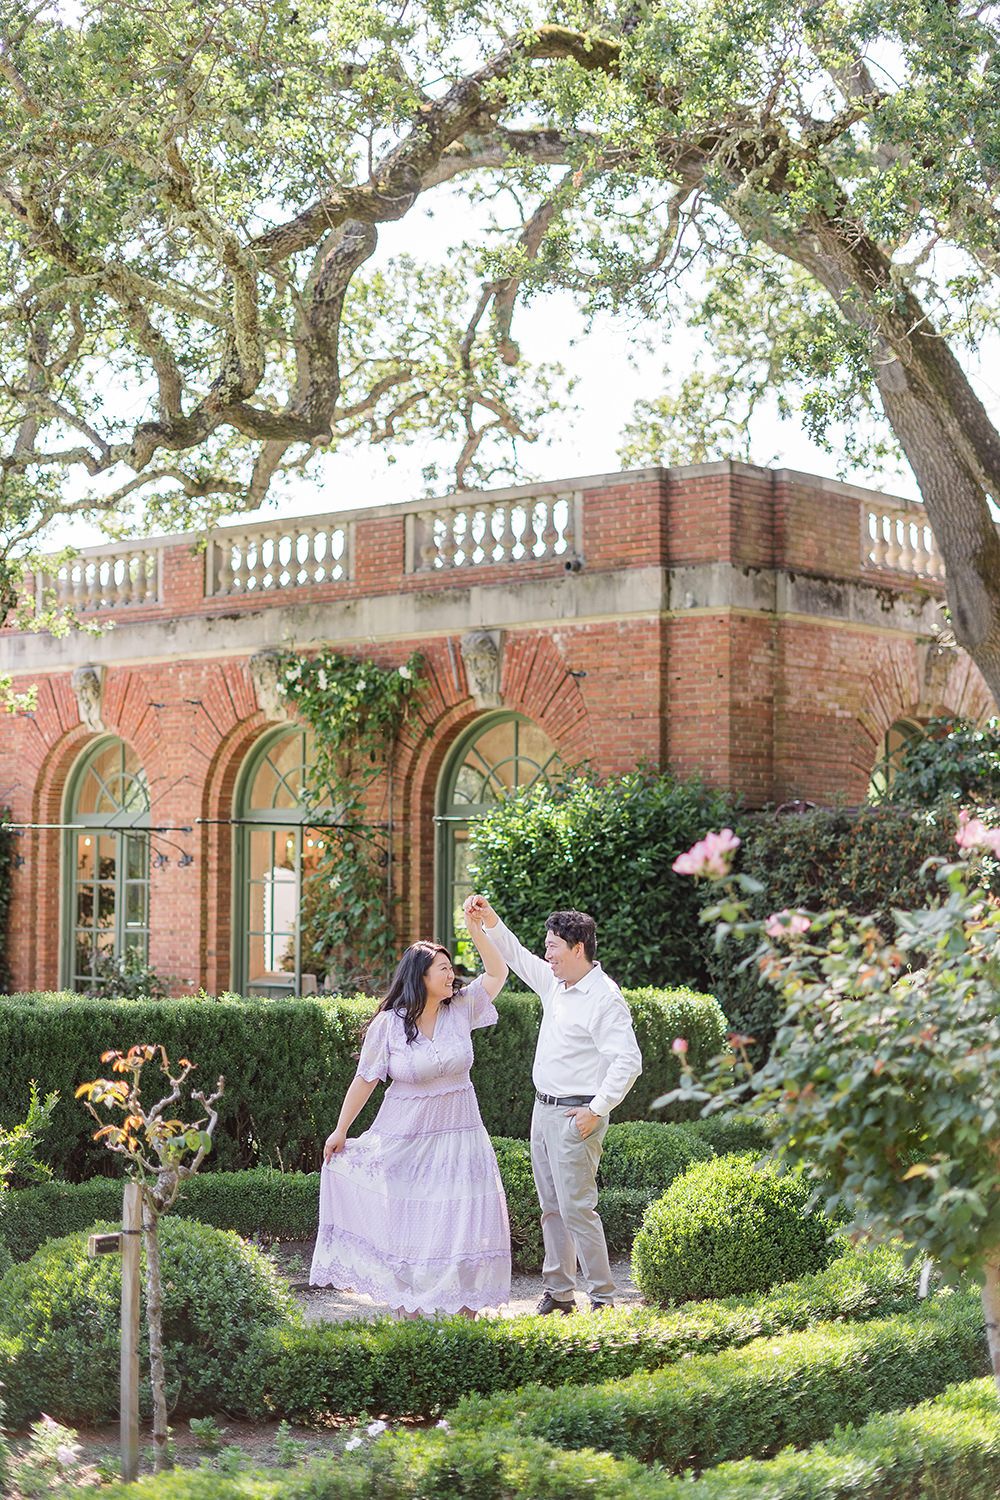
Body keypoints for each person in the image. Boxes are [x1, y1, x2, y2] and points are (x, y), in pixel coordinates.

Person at [309, 907, 511, 1318]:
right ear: (420, 976)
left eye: (451, 968)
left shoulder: (462, 1009)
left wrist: (476, 929)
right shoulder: (389, 1025)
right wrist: (340, 1130)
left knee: (464, 1219)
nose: (451, 975)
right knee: (407, 1222)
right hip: (405, 1141)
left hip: (461, 1136)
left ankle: (465, 1310)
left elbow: (498, 972)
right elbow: (365, 1079)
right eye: (442, 968)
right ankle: (409, 1308)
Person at [464, 894, 641, 1315]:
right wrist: (489, 918)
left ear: (578, 949)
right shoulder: (555, 983)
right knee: (552, 1209)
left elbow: (628, 1060)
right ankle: (560, 1295)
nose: (547, 955)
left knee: (578, 1209)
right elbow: (516, 955)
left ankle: (603, 1299)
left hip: (576, 1115)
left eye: (554, 947)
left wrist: (596, 1109)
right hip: (542, 1111)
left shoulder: (603, 996)